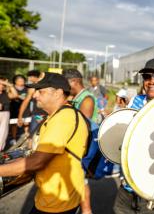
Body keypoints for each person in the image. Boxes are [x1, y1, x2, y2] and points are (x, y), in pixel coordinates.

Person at [0, 72, 88, 213]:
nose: (35, 95)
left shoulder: (64, 118)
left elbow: (37, 162)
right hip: (50, 197)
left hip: (58, 202)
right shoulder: (55, 116)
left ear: (58, 93)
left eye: (41, 91)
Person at [114, 58, 154, 214]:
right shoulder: (136, 100)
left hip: (153, 191)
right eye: (147, 76)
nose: (151, 81)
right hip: (127, 187)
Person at [63, 69, 98, 214]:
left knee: (81, 180)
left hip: (83, 148)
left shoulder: (87, 99)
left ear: (74, 81)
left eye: (65, 84)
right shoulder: (77, 97)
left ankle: (86, 210)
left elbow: (82, 127)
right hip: (76, 147)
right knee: (78, 180)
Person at [17, 70, 46, 135]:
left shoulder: (47, 86)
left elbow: (25, 102)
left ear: (34, 77)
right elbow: (25, 102)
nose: (29, 79)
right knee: (33, 136)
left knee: (42, 136)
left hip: (45, 115)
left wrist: (20, 116)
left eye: (30, 77)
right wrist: (20, 116)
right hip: (37, 115)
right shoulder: (32, 88)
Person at [10, 74, 30, 145]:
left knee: (26, 122)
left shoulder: (27, 88)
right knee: (14, 124)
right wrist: (18, 96)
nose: (21, 82)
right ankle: (13, 138)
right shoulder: (11, 88)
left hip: (26, 108)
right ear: (15, 81)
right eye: (19, 80)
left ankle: (27, 136)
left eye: (23, 80)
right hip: (14, 108)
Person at [0, 77, 18, 151]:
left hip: (5, 114)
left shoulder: (6, 94)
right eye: (1, 84)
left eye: (3, 85)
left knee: (3, 132)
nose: (2, 86)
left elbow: (15, 95)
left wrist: (9, 85)